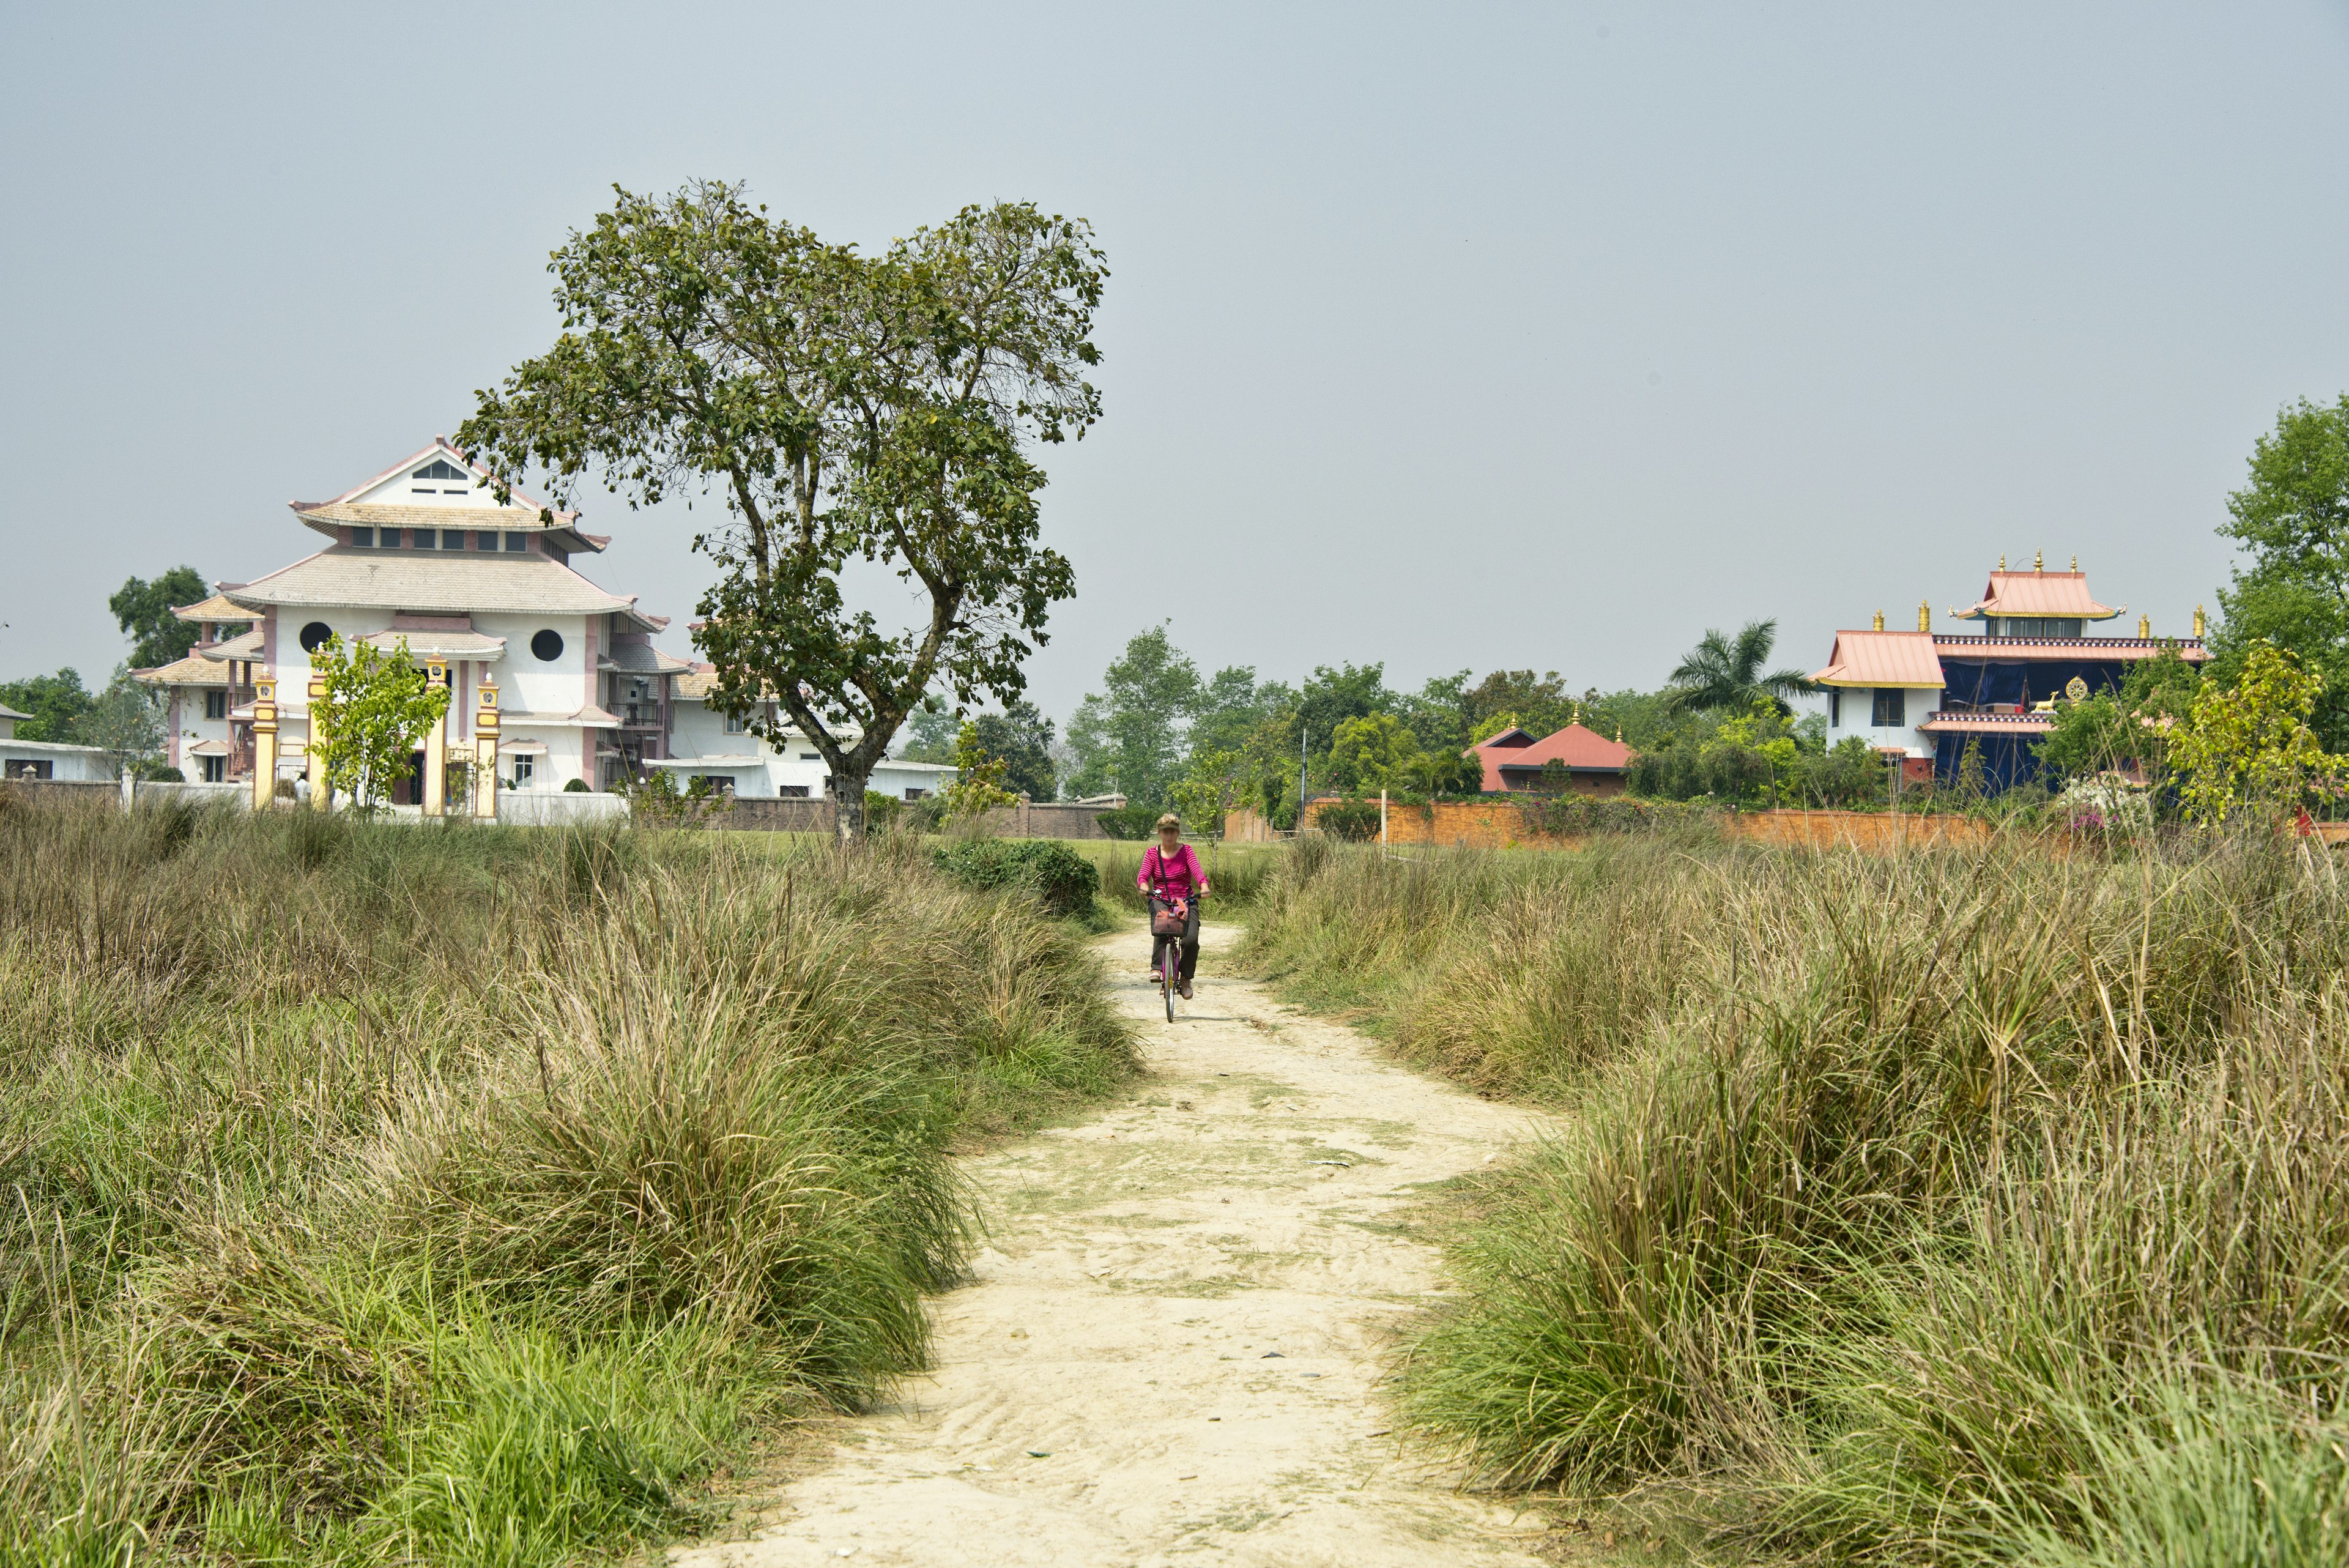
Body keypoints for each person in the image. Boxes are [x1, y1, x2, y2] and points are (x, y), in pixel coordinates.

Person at [1138, 812, 1209, 999]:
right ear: (1159, 833)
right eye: (1165, 832)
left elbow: (1198, 872)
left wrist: (1204, 885)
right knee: (1163, 926)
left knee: (1190, 940)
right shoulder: (1152, 853)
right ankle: (1157, 969)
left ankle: (1185, 978)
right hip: (1161, 898)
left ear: (1177, 833)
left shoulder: (1187, 851)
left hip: (1185, 900)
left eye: (1172, 832)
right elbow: (1143, 876)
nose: (1169, 836)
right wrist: (1144, 887)